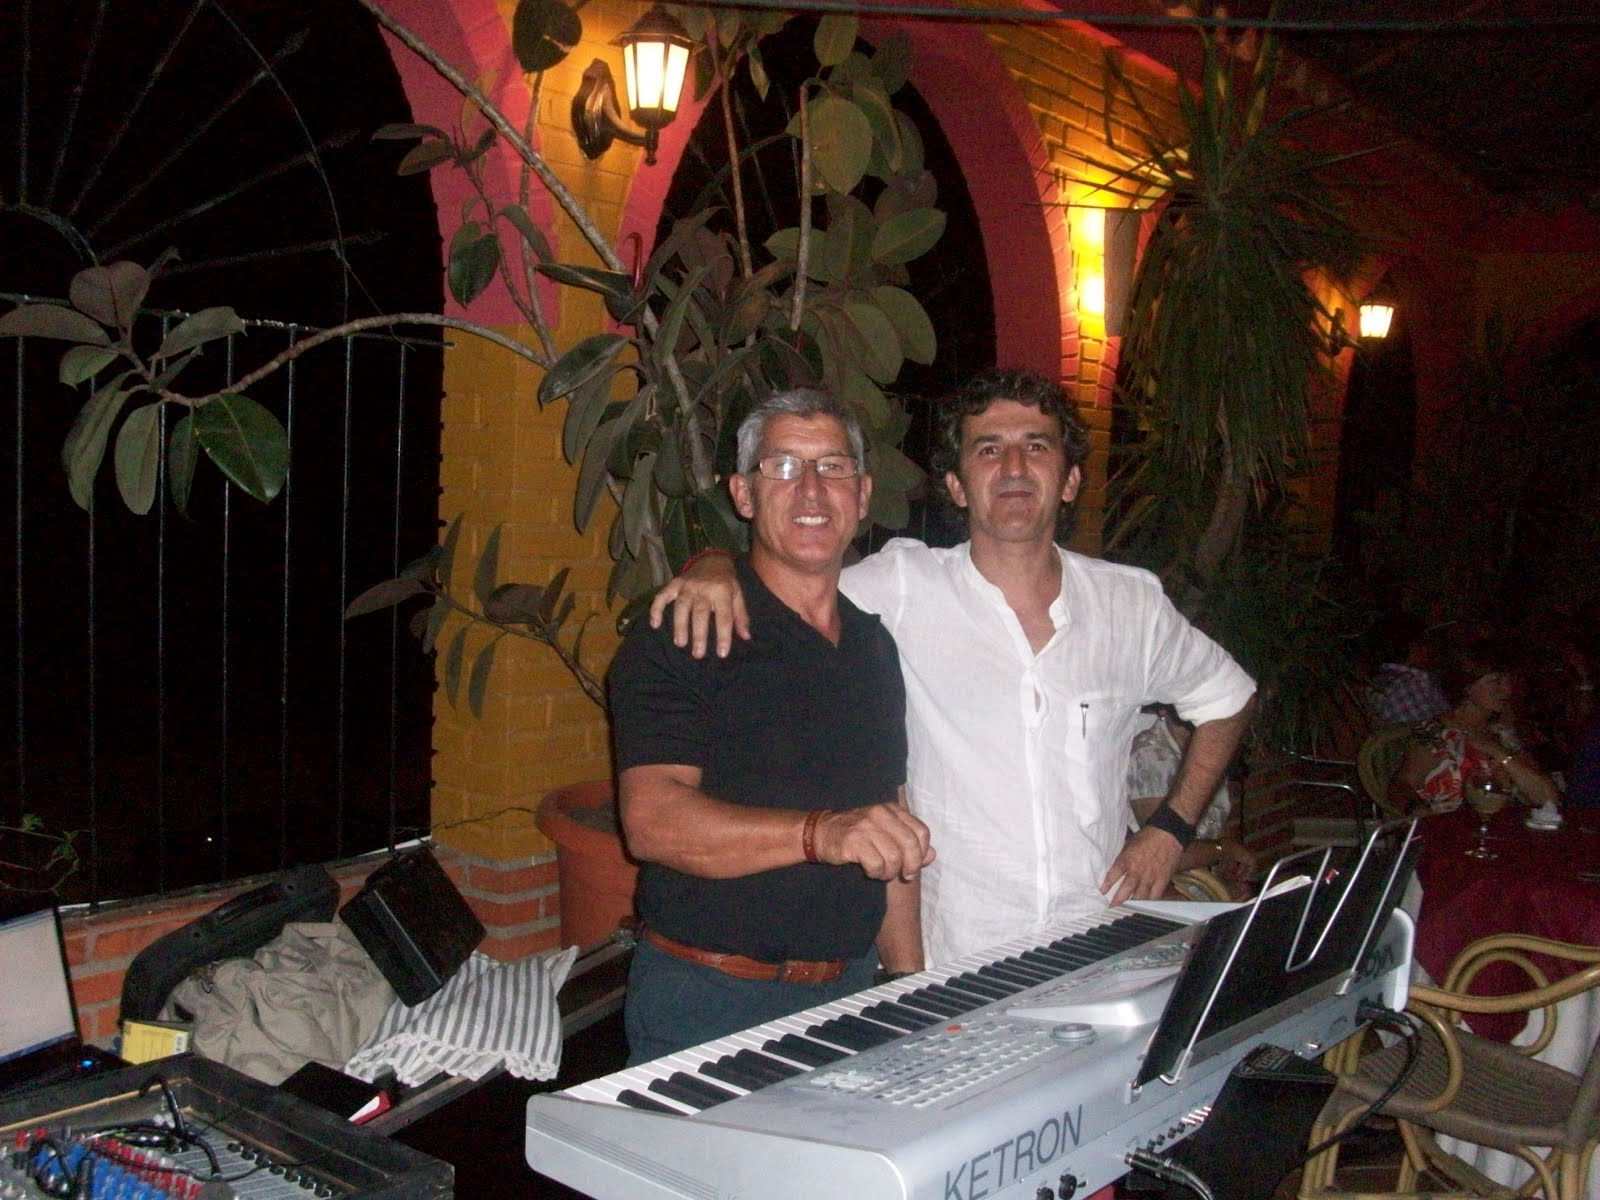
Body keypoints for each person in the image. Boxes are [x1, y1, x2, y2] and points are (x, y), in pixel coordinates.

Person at [650, 368, 1257, 965]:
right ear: (958, 486)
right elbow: (787, 580)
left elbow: (1229, 699)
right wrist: (714, 563)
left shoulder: (1130, 604)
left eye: (1036, 447)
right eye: (988, 449)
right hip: (958, 960)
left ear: (1070, 480)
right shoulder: (902, 587)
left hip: (1097, 945)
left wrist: (1171, 829)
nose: (1013, 467)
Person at [609, 387, 934, 1064]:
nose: (811, 489)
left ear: (862, 494)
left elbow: (889, 824)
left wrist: (906, 984)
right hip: (713, 1000)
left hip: (852, 994)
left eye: (833, 467)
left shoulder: (873, 646)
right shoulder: (686, 631)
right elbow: (652, 822)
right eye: (782, 466)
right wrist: (822, 834)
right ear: (744, 494)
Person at [1395, 631, 1563, 814]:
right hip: (1450, 825)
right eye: (1496, 681)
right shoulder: (1435, 731)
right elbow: (1402, 785)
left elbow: (1549, 799)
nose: (1506, 690)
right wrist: (1421, 812)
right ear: (1467, 685)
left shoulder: (1502, 733)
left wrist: (1500, 754)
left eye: (1507, 681)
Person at [1126, 707, 1256, 899]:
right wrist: (1223, 850)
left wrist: (1227, 874)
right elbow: (1162, 852)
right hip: (1168, 886)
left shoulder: (1209, 750)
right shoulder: (1148, 755)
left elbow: (1216, 825)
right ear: (1163, 709)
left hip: (1203, 879)